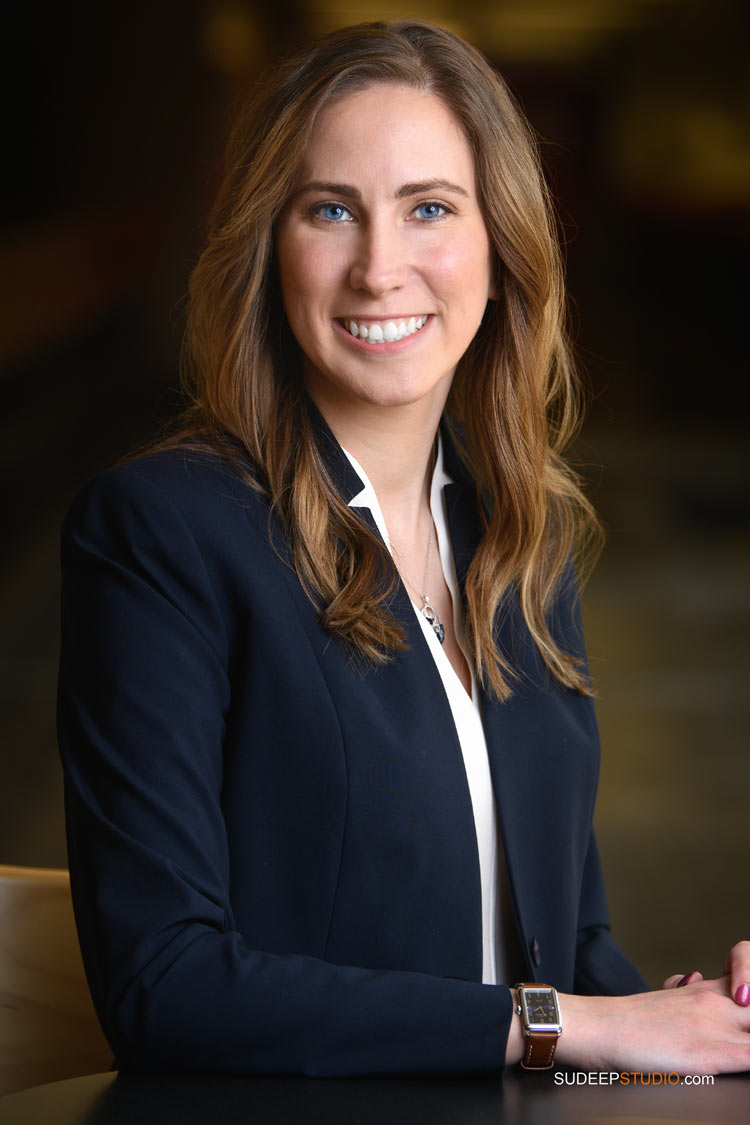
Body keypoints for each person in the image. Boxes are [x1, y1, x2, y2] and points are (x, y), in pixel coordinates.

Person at [57, 20, 750, 1077]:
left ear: (499, 244)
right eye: (331, 210)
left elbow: (566, 948)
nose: (382, 269)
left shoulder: (522, 536)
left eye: (429, 208)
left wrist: (702, 1019)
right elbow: (165, 984)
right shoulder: (163, 533)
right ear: (269, 247)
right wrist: (569, 1025)